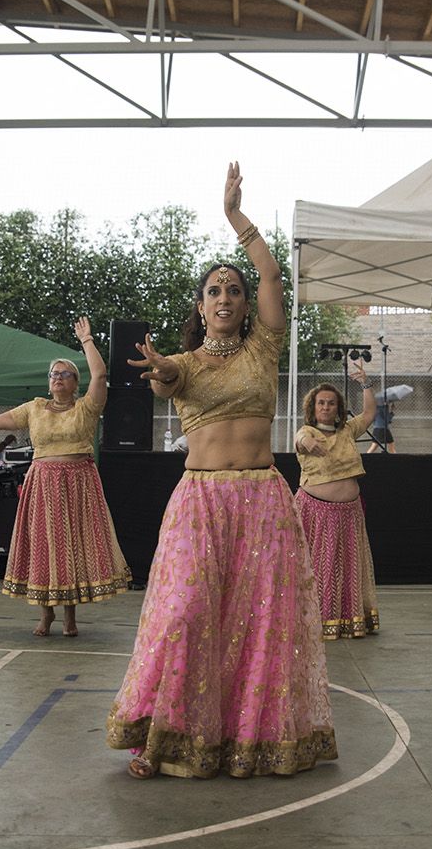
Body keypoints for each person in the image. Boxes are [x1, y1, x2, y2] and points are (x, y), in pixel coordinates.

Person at [107, 162, 336, 779]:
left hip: (262, 499)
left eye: (234, 290)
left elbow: (269, 270)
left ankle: (248, 741)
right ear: (201, 306)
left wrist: (236, 218)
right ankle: (163, 736)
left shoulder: (265, 346)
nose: (228, 297)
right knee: (184, 615)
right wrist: (159, 367)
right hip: (200, 502)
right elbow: (169, 378)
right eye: (215, 291)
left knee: (262, 625)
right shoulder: (182, 361)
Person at [0, 317, 130, 637]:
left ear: (75, 382)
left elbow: (101, 374)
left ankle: (70, 616)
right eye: (53, 374)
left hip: (77, 484)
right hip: (44, 484)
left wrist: (87, 340)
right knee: (46, 547)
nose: (57, 378)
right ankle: (45, 613)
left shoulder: (87, 407)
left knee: (72, 549)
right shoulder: (34, 409)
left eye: (65, 374)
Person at [295, 362, 380, 640]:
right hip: (317, 512)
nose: (326, 407)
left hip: (349, 512)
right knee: (320, 566)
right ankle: (316, 618)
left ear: (338, 407)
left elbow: (369, 413)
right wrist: (304, 441)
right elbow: (300, 439)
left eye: (331, 403)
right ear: (313, 407)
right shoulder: (308, 432)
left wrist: (366, 384)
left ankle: (346, 619)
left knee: (347, 567)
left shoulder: (347, 431)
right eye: (321, 403)